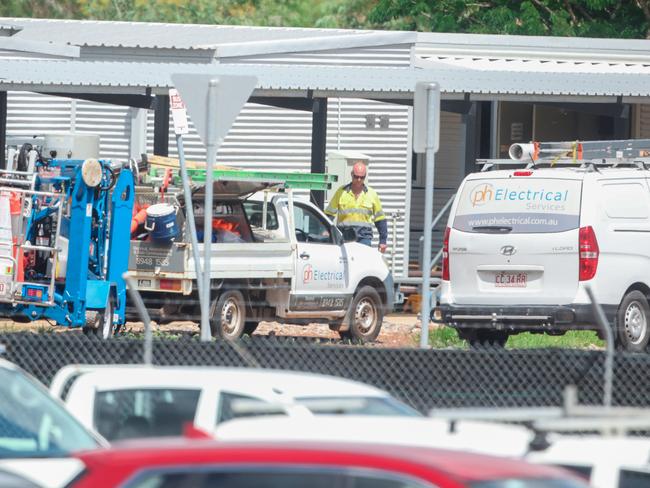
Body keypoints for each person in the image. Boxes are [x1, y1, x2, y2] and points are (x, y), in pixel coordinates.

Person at [325, 162, 387, 253]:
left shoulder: (372, 194)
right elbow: (329, 214)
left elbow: (380, 219)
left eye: (362, 177)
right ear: (351, 174)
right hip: (344, 237)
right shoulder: (341, 192)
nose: (358, 180)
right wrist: (326, 229)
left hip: (364, 238)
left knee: (362, 265)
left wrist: (383, 241)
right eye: (356, 176)